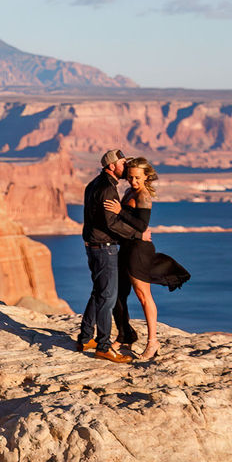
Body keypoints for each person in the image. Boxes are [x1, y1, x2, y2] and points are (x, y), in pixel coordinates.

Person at [106, 157, 190, 363]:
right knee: (118, 294)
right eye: (131, 177)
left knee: (143, 295)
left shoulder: (143, 196)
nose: (133, 181)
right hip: (126, 248)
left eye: (137, 178)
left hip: (138, 251)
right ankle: (125, 335)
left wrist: (119, 213)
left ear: (146, 177)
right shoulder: (128, 192)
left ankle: (153, 342)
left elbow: (141, 225)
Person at [77, 148, 135, 362]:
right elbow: (112, 223)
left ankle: (84, 338)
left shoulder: (93, 184)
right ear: (112, 166)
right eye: (123, 164)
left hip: (92, 245)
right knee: (108, 298)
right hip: (104, 247)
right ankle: (103, 346)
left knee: (98, 291)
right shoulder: (108, 189)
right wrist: (136, 234)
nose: (126, 167)